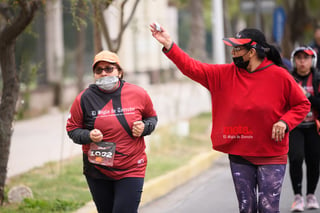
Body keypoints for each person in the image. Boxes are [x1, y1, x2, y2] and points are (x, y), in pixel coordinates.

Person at [150, 24, 310, 213]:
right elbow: (191, 67)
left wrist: (285, 122)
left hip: (272, 154)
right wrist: (170, 45)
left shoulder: (280, 76)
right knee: (246, 208)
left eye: (237, 48)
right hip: (240, 152)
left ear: (252, 52)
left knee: (268, 209)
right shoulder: (223, 75)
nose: (233, 52)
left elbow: (302, 105)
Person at [66, 50, 158, 213]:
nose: (104, 73)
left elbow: (152, 118)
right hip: (98, 169)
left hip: (132, 166)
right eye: (98, 70)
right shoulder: (84, 98)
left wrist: (144, 127)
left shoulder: (138, 93)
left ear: (119, 72)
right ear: (94, 74)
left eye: (109, 68)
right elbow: (72, 129)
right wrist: (88, 136)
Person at [288, 46, 320, 212]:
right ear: (294, 61)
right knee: (296, 158)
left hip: (314, 127)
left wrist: (307, 96)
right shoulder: (289, 78)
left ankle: (310, 195)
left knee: (314, 161)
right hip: (295, 127)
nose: (302, 61)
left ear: (312, 61)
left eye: (305, 58)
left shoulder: (317, 79)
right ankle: (298, 196)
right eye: (299, 58)